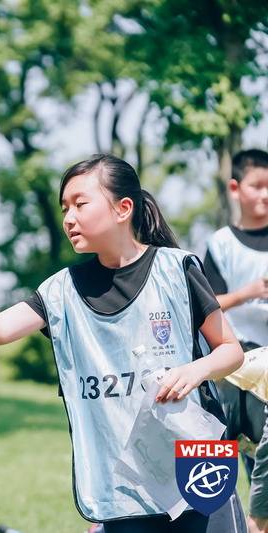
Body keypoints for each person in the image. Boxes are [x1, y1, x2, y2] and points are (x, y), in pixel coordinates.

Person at [0, 154, 244, 532]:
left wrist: (195, 370)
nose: (68, 218)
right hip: (124, 482)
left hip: (198, 465)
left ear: (123, 209)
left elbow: (230, 350)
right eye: (64, 208)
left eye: (80, 204)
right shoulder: (61, 291)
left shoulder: (177, 268)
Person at [204, 149, 268, 532]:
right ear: (234, 188)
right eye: (257, 185)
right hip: (231, 367)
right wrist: (248, 293)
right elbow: (206, 304)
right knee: (215, 474)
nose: (265, 195)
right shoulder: (222, 243)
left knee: (262, 479)